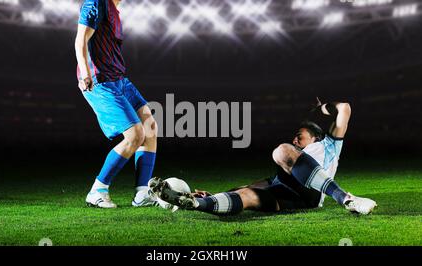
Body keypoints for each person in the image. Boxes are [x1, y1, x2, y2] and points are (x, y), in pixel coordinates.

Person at [149, 99, 378, 215]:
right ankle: (196, 203)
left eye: (300, 137)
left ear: (316, 136)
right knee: (246, 194)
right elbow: (254, 186)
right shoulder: (291, 161)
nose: (296, 141)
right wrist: (216, 195)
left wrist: (323, 108)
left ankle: (346, 199)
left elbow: (345, 108)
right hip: (285, 191)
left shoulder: (329, 144)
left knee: (281, 151)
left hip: (311, 194)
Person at [75, 0, 157, 208]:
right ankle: (98, 190)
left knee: (150, 127)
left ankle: (142, 194)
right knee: (135, 135)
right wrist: (85, 74)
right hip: (100, 81)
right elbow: (80, 41)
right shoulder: (96, 3)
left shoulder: (114, 10)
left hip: (119, 79)